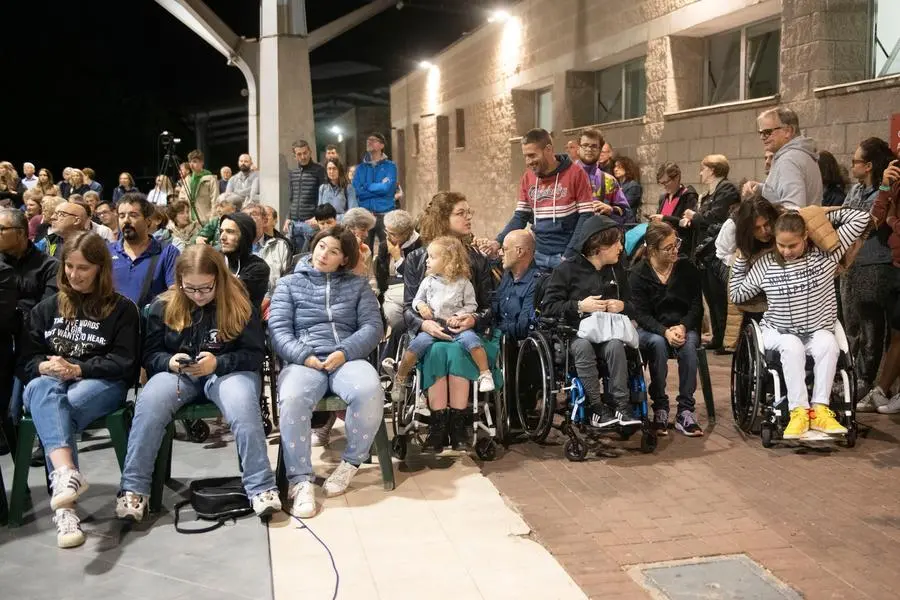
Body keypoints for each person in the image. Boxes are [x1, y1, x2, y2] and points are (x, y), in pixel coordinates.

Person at [116, 245, 280, 522]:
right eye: (189, 288)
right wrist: (168, 361)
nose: (198, 295)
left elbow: (254, 354)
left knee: (242, 405)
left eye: (206, 288)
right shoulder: (163, 305)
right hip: (180, 374)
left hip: (227, 372)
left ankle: (261, 486)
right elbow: (150, 354)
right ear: (178, 281)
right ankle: (134, 488)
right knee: (149, 402)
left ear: (220, 279)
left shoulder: (240, 304)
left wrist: (217, 363)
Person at [21, 231, 141, 547]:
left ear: (100, 269)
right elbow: (26, 361)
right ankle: (66, 482)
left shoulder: (121, 309)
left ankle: (65, 505)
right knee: (41, 387)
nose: (74, 275)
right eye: (69, 267)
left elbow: (125, 363)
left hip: (100, 384)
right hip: (50, 384)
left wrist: (79, 368)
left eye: (83, 268)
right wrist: (44, 366)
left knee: (59, 409)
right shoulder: (45, 309)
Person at [269, 225, 385, 517]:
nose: (324, 254)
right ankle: (300, 480)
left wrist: (345, 351)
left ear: (344, 259)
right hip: (304, 359)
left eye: (333, 251)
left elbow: (373, 327)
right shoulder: (288, 284)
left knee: (369, 389)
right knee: (293, 397)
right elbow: (279, 330)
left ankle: (350, 463)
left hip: (346, 357)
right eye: (321, 246)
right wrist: (303, 355)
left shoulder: (358, 286)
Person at [729, 208, 871, 438]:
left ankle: (820, 409)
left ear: (805, 236)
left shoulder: (827, 254)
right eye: (781, 245)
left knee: (828, 343)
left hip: (817, 330)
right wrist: (742, 257)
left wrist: (812, 217)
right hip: (778, 332)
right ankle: (799, 411)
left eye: (792, 245)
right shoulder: (765, 264)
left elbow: (862, 218)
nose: (786, 251)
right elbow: (737, 295)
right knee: (792, 344)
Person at [402, 192, 496, 453]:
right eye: (461, 213)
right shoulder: (419, 258)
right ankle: (437, 424)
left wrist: (473, 318)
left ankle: (458, 423)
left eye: (469, 212)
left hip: (465, 332)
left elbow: (490, 306)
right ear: (443, 219)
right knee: (435, 348)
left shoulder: (477, 259)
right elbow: (408, 306)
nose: (469, 217)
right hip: (432, 330)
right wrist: (423, 324)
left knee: (455, 349)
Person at [542, 216, 641, 428]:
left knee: (615, 345)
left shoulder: (617, 271)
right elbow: (548, 308)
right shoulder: (566, 270)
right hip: (575, 334)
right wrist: (579, 305)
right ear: (599, 246)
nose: (621, 248)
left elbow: (635, 307)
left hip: (609, 334)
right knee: (583, 346)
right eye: (616, 243)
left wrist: (623, 306)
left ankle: (621, 406)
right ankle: (596, 407)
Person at [390, 236, 495, 402]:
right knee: (416, 346)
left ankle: (485, 373)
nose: (427, 261)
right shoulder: (427, 281)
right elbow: (416, 300)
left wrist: (459, 316)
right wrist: (421, 307)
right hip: (434, 326)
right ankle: (401, 377)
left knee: (473, 342)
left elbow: (471, 305)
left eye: (432, 257)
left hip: (457, 326)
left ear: (448, 261)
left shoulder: (463, 283)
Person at [630, 222, 704, 437]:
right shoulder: (638, 274)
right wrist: (664, 331)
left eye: (676, 244)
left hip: (682, 326)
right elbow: (641, 314)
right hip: (651, 328)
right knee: (657, 344)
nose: (675, 250)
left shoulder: (687, 268)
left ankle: (685, 410)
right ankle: (660, 405)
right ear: (653, 250)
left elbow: (696, 305)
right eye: (668, 247)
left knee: (689, 346)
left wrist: (682, 326)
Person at [840, 138, 896, 405]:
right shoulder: (855, 190)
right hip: (852, 263)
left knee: (872, 328)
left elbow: (869, 222)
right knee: (852, 324)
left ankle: (869, 381)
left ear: (869, 165)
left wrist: (854, 219)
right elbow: (843, 218)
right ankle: (852, 377)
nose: (852, 166)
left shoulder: (885, 190)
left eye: (855, 162)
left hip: (876, 264)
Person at [491, 128, 594, 270]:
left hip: (566, 256)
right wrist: (497, 241)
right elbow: (520, 216)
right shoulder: (528, 178)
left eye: (532, 155)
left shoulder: (576, 174)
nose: (528, 161)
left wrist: (569, 254)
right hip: (538, 255)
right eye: (525, 156)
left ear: (548, 149)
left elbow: (586, 217)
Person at [680, 154, 740, 350]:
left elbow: (715, 217)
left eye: (703, 168)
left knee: (719, 296)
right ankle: (716, 337)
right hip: (704, 251)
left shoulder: (727, 189)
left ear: (713, 170)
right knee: (711, 297)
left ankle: (723, 338)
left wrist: (694, 216)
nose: (700, 172)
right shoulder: (709, 193)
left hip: (717, 252)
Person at [862, 158, 900, 413]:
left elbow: (888, 220)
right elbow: (875, 219)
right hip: (897, 265)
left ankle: (883, 389)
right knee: (897, 332)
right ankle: (882, 390)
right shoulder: (894, 185)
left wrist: (893, 222)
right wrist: (886, 188)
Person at [109, 193, 180, 310]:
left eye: (133, 215)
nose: (126, 220)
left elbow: (175, 292)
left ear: (148, 221)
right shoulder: (107, 251)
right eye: (121, 216)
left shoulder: (167, 252)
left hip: (149, 325)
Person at [744, 107, 822, 209]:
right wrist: (760, 189)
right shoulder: (799, 154)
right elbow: (781, 195)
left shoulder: (789, 159)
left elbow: (793, 209)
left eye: (767, 132)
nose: (762, 137)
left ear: (788, 131)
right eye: (761, 133)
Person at [375, 209, 421, 336]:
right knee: (389, 311)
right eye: (386, 231)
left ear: (406, 233)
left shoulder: (420, 245)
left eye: (393, 234)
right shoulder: (384, 246)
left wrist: (398, 259)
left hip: (413, 293)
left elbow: (416, 277)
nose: (388, 236)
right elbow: (382, 276)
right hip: (391, 291)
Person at [352, 132, 397, 251]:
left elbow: (387, 189)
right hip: (366, 215)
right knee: (364, 250)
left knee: (387, 250)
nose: (369, 142)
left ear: (382, 145)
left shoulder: (390, 166)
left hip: (385, 214)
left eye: (374, 140)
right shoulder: (360, 168)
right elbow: (357, 191)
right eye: (368, 139)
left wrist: (366, 186)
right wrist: (379, 187)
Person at [576, 129, 632, 225]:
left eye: (594, 146)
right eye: (585, 145)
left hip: (599, 236)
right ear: (578, 148)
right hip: (569, 237)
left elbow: (627, 213)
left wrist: (611, 209)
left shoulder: (609, 180)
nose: (589, 149)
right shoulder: (562, 177)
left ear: (600, 149)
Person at [493, 229, 539, 342]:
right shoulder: (507, 276)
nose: (500, 253)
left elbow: (523, 328)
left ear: (519, 251)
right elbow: (494, 310)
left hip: (517, 348)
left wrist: (492, 331)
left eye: (504, 249)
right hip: (498, 340)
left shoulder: (537, 282)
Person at [219, 212, 270, 308]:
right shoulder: (214, 259)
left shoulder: (258, 268)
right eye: (221, 231)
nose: (222, 237)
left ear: (245, 236)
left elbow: (234, 298)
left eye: (230, 232)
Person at [242, 201, 291, 299]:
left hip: (273, 301)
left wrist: (269, 299)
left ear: (264, 220)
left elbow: (287, 280)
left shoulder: (279, 246)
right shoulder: (236, 247)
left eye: (253, 214)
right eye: (244, 215)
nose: (248, 218)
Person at [285, 139, 326, 252]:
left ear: (310, 152)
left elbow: (322, 196)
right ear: (294, 156)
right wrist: (288, 218)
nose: (303, 156)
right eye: (299, 154)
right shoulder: (293, 173)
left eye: (305, 153)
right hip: (293, 223)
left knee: (308, 256)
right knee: (293, 256)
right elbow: (291, 198)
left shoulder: (320, 170)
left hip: (310, 222)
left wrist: (318, 217)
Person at [650, 162, 698, 254]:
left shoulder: (688, 196)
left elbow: (687, 224)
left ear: (677, 177)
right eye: (661, 183)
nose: (664, 186)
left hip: (678, 248)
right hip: (662, 245)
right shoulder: (663, 197)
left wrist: (664, 218)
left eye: (666, 182)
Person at [177, 149, 219, 224]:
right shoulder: (187, 179)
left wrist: (212, 220)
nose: (191, 164)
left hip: (205, 220)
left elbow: (215, 201)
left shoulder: (210, 179)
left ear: (202, 162)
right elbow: (182, 198)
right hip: (189, 220)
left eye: (195, 161)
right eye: (190, 162)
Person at [342, 207, 377, 279]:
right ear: (349, 228)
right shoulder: (338, 248)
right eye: (363, 230)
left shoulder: (365, 249)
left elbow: (369, 278)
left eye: (367, 230)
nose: (367, 235)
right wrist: (354, 250)